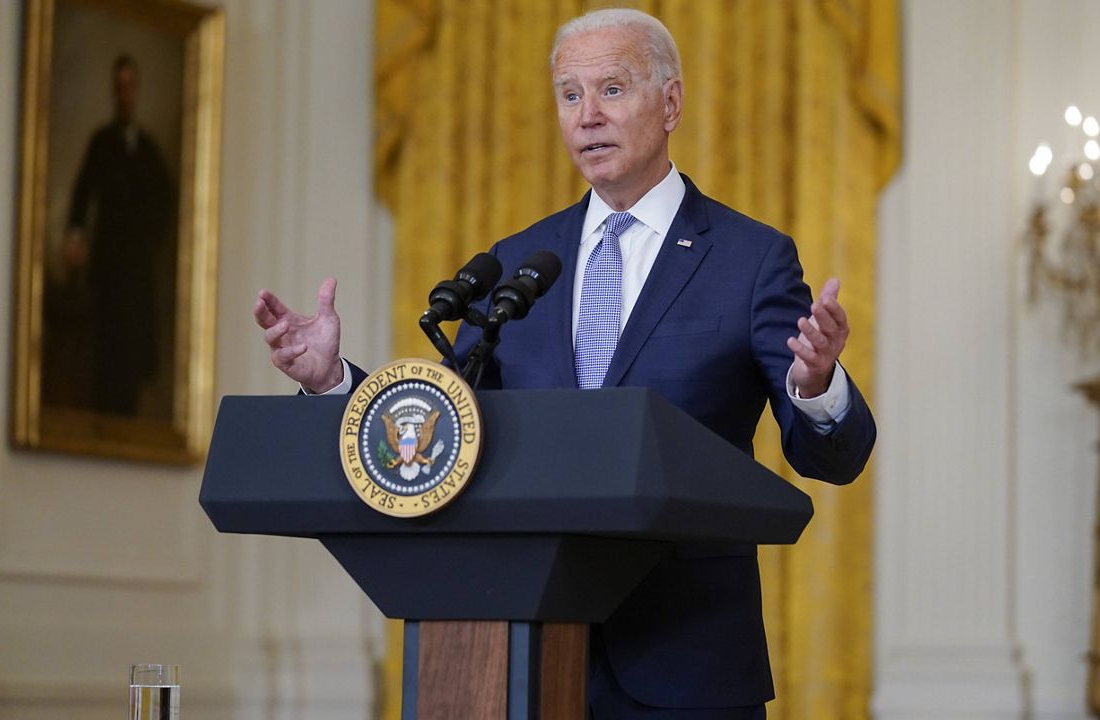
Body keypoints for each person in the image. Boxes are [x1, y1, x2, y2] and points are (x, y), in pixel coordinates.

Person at [254, 9, 875, 718]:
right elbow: (441, 424)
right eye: (570, 95)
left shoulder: (750, 258)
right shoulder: (520, 261)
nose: (587, 117)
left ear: (670, 103)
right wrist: (334, 382)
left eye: (611, 89)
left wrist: (816, 384)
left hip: (686, 664)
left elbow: (835, 457)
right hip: (520, 655)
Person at [62, 53, 174, 416]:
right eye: (119, 86)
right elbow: (82, 192)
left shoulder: (147, 149)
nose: (125, 94)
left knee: (131, 356)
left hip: (136, 270)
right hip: (108, 265)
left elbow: (166, 201)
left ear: (136, 91)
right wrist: (76, 235)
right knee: (105, 350)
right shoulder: (101, 141)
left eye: (130, 86)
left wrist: (150, 240)